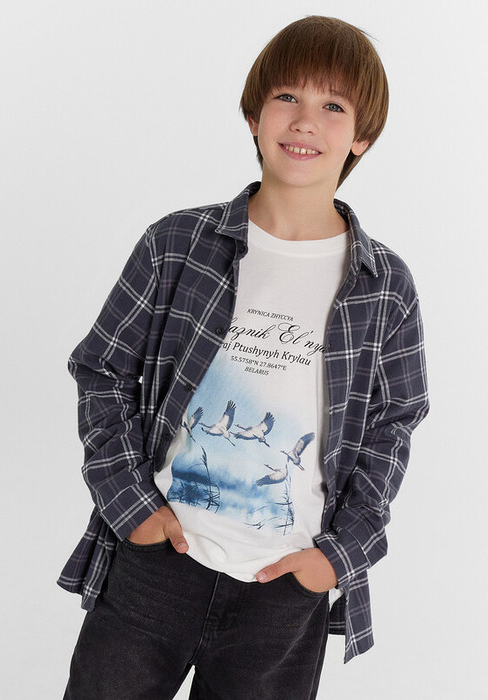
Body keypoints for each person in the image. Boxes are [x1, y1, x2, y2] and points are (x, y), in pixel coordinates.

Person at [59, 15, 429, 700]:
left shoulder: (384, 286)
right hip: (156, 564)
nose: (305, 121)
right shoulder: (176, 244)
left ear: (362, 137)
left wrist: (339, 555)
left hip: (284, 589)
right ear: (254, 116)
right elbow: (102, 371)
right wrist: (130, 505)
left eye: (333, 106)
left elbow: (393, 426)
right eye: (287, 97)